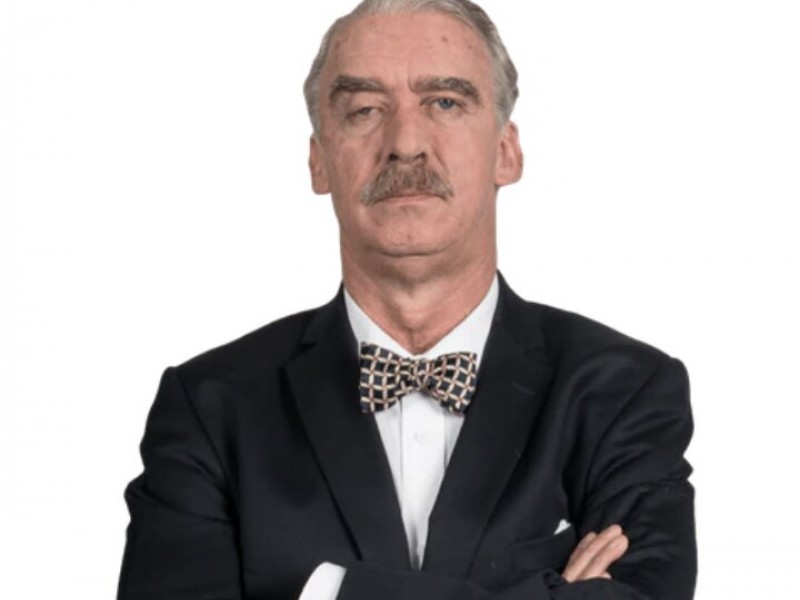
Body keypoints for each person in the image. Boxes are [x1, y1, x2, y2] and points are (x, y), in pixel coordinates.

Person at [117, 1, 696, 599]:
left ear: (506, 152)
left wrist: (334, 592)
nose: (406, 143)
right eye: (365, 110)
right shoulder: (208, 408)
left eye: (444, 103)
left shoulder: (625, 392)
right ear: (319, 160)